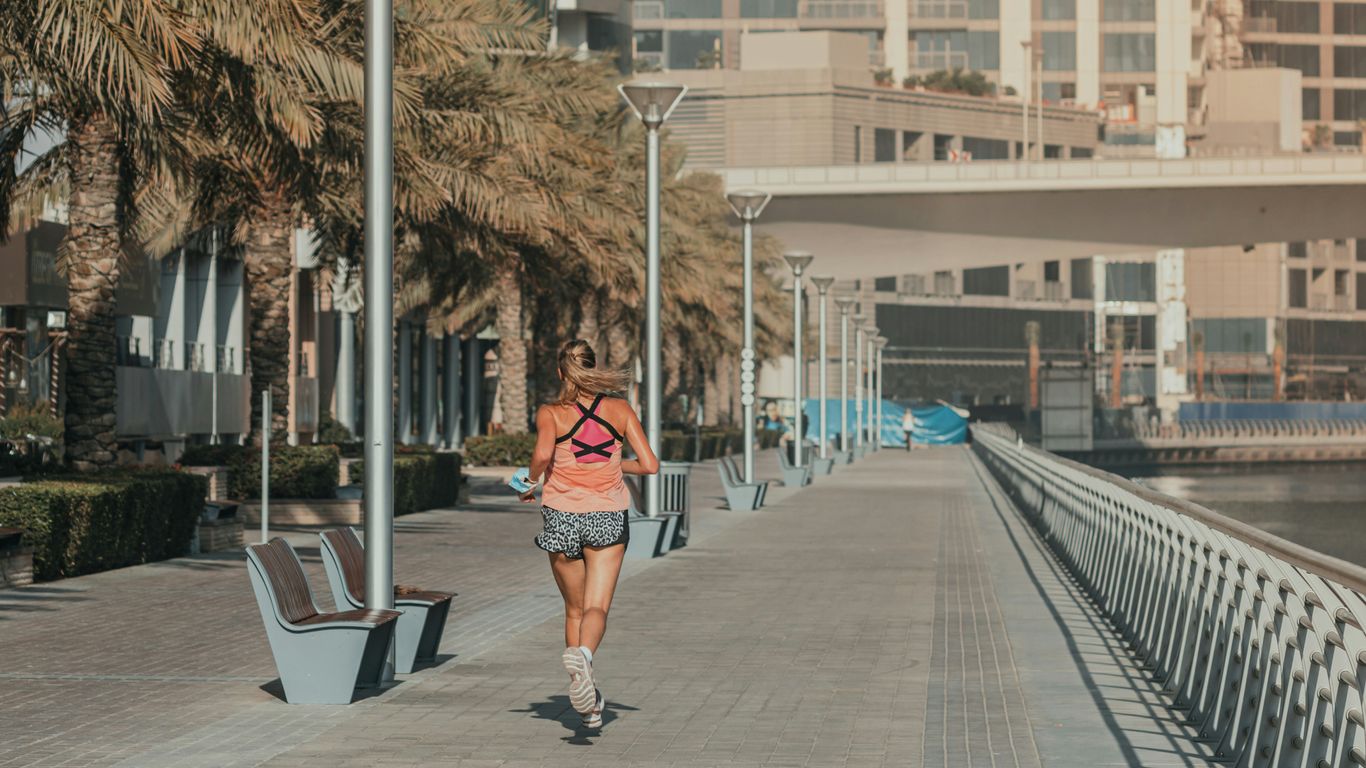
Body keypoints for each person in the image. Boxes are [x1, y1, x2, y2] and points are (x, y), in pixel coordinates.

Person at [517, 339, 658, 730]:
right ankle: (585, 659)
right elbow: (649, 465)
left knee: (573, 609)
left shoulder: (551, 413)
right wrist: (613, 465)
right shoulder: (620, 409)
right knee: (597, 608)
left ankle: (587, 700)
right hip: (608, 517)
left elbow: (544, 455)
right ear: (594, 368)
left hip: (561, 515)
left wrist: (527, 483)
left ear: (561, 373)